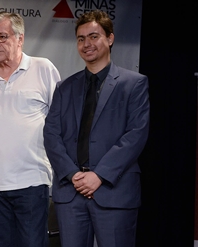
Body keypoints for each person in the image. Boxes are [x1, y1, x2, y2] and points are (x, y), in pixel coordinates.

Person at [43, 10, 149, 247]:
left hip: (114, 192)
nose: (86, 44)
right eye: (81, 39)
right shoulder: (64, 87)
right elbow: (51, 134)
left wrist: (99, 175)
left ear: (110, 38)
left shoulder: (134, 84)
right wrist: (73, 175)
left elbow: (136, 135)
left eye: (93, 36)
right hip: (71, 192)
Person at [0, 12, 61, 247]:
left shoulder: (43, 68)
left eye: (2, 36)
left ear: (20, 39)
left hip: (31, 183)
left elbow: (60, 123)